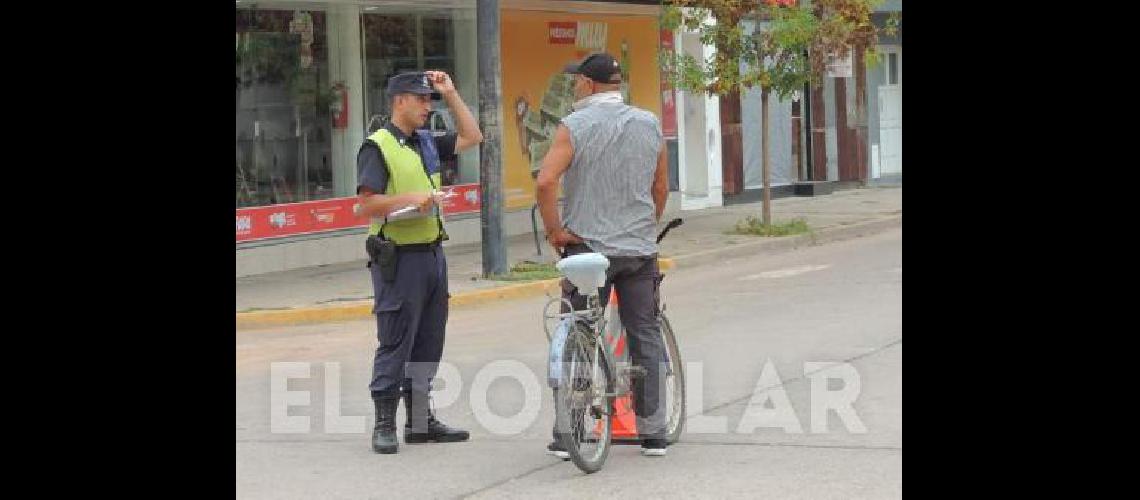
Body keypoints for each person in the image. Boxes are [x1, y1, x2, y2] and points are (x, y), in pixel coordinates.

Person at [535, 53, 671, 457]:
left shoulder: (573, 126)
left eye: (577, 81)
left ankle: (569, 433)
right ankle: (654, 433)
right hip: (637, 250)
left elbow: (545, 182)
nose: (574, 86)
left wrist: (555, 231)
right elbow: (660, 188)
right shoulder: (649, 124)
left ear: (590, 85)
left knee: (578, 330)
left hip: (587, 251)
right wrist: (643, 226)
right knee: (643, 331)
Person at [356, 71, 483, 454]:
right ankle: (383, 424)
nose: (429, 106)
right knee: (396, 339)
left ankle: (421, 422)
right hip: (399, 257)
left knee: (430, 339)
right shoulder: (377, 146)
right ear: (399, 101)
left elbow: (472, 136)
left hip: (431, 253)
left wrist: (452, 93)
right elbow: (367, 204)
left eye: (431, 99)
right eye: (422, 99)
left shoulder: (425, 141)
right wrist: (412, 197)